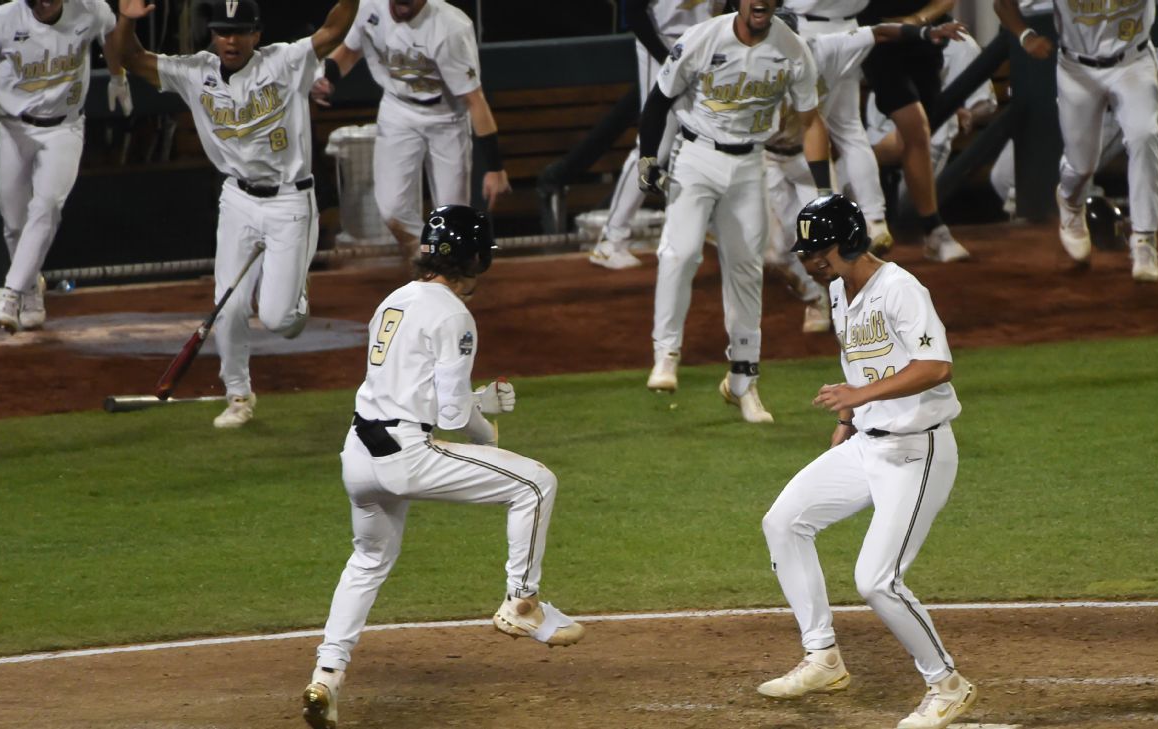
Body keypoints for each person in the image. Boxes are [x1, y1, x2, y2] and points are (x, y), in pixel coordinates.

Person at [300, 205, 584, 729]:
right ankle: (521, 603)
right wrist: (485, 419)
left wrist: (480, 410)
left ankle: (326, 677)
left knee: (367, 562)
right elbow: (452, 415)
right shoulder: (455, 314)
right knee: (536, 484)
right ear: (475, 260)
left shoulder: (394, 300)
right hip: (406, 454)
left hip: (358, 454)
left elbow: (418, 394)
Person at [759, 193, 976, 729]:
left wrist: (856, 398)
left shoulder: (901, 289)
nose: (812, 261)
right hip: (867, 443)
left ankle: (948, 685)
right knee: (784, 521)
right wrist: (849, 420)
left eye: (821, 251)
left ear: (850, 241)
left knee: (877, 579)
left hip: (917, 451)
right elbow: (860, 362)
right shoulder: (838, 292)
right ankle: (823, 659)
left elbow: (937, 366)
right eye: (809, 252)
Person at [109, 0, 359, 428]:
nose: (231, 39)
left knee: (280, 320)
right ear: (213, 34)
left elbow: (333, 32)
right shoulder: (195, 72)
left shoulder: (285, 61)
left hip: (289, 200)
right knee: (229, 306)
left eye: (240, 31)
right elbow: (129, 57)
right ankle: (238, 395)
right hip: (237, 199)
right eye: (224, 31)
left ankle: (294, 287)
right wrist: (128, 19)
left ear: (256, 35)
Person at [637, 0, 825, 424]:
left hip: (750, 163)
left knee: (746, 270)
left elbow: (811, 121)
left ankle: (743, 380)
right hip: (696, 157)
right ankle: (666, 354)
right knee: (680, 253)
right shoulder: (703, 38)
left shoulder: (793, 49)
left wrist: (825, 188)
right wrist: (649, 157)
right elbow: (659, 98)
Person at [994, 0, 1158, 282]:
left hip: (1133, 62)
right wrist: (1025, 36)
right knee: (1081, 166)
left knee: (1144, 136)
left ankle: (1145, 241)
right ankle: (1070, 202)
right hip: (1077, 69)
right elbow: (1003, 4)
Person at [764, 8, 966, 334]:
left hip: (807, 157)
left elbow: (881, 31)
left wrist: (925, 34)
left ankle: (858, 308)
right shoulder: (745, 66)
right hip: (765, 162)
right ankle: (814, 296)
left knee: (822, 243)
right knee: (775, 255)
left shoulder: (819, 48)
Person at [310, 0, 510, 250]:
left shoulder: (451, 26)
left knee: (453, 214)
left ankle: (450, 269)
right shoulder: (369, 8)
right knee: (392, 209)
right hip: (398, 110)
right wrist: (328, 78)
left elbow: (474, 99)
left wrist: (495, 168)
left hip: (446, 118)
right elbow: (349, 52)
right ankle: (431, 257)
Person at [0, 0, 132, 333]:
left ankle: (11, 292)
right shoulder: (4, 18)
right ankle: (31, 287)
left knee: (47, 205)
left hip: (64, 126)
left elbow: (110, 32)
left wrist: (117, 75)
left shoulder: (89, 8)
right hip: (14, 126)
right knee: (12, 220)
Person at [589, 0, 720, 270]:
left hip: (706, 42)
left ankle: (710, 225)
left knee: (711, 135)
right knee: (654, 147)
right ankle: (611, 239)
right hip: (665, 41)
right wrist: (666, 58)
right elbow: (634, 13)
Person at [858, 0, 970, 263]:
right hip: (879, 40)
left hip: (925, 40)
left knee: (907, 143)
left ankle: (855, 160)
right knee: (915, 128)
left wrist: (918, 19)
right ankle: (935, 229)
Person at [784, 0, 894, 254]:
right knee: (850, 128)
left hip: (809, 33)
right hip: (851, 30)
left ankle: (825, 226)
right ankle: (876, 220)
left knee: (807, 130)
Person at [866, 31, 997, 180]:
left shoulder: (961, 44)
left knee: (943, 123)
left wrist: (968, 114)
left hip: (928, 136)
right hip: (872, 141)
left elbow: (985, 103)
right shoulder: (887, 33)